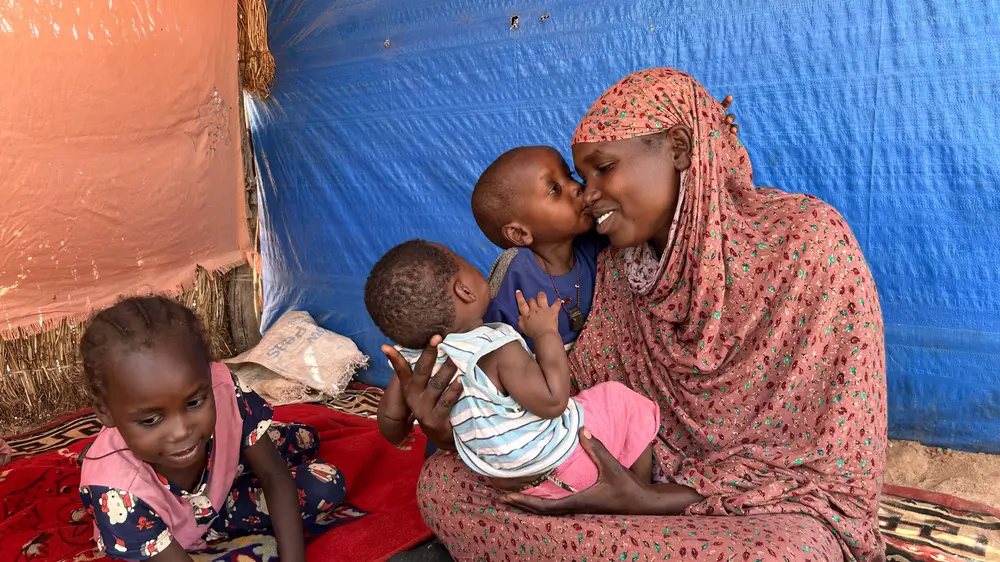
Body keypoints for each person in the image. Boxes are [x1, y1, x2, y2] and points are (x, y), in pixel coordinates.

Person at [381, 68, 887, 561]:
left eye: (604, 168)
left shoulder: (808, 243)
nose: (588, 192)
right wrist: (451, 429)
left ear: (680, 149)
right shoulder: (622, 264)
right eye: (579, 177)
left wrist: (646, 502)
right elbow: (568, 402)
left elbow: (836, 472)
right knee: (444, 484)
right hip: (623, 463)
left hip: (755, 507)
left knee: (790, 552)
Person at [365, 240, 659, 499]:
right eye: (467, 265)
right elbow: (554, 402)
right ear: (465, 290)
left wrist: (400, 434)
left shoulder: (413, 364)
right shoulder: (496, 346)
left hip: (508, 483)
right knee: (620, 399)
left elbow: (391, 422)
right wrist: (546, 333)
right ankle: (636, 489)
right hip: (566, 467)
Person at [77, 296, 350, 561]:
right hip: (170, 535)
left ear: (208, 374)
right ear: (105, 413)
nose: (181, 431)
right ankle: (99, 453)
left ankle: (246, 447)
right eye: (151, 420)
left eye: (194, 402)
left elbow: (274, 474)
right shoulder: (118, 492)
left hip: (219, 478)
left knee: (307, 441)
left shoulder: (224, 390)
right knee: (320, 482)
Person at [479, 98, 740, 352]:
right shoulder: (516, 274)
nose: (581, 189)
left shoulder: (601, 243)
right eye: (555, 189)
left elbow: (680, 213)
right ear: (519, 233)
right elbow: (491, 353)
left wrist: (708, 136)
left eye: (570, 177)